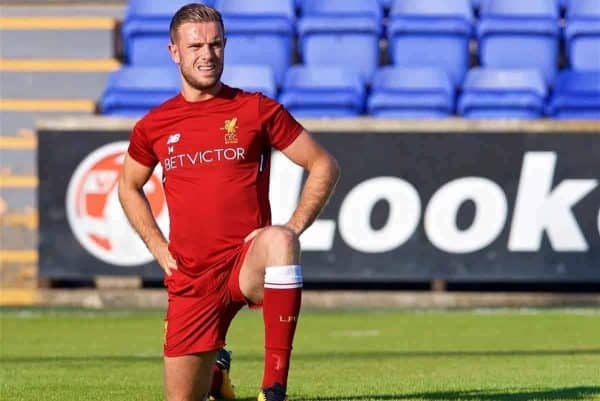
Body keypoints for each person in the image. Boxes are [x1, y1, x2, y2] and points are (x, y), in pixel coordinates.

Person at [118, 3, 341, 401]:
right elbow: (128, 186)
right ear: (174, 52)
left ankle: (273, 389)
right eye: (196, 46)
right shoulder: (154, 124)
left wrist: (292, 225)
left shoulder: (255, 109)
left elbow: (323, 164)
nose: (207, 54)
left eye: (216, 44)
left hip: (245, 262)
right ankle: (216, 374)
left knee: (281, 242)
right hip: (190, 277)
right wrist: (157, 246)